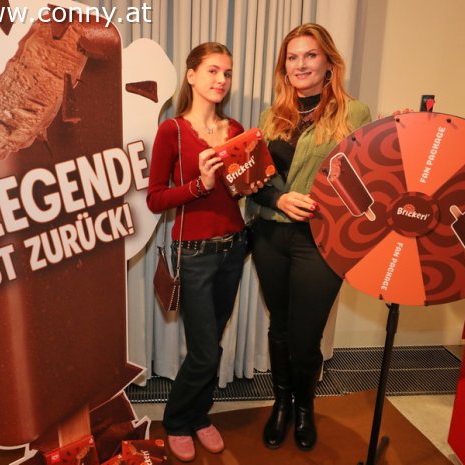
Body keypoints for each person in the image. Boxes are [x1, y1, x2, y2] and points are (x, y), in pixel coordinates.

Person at [247, 23, 372, 451]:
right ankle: (281, 404)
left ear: (328, 63)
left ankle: (305, 408)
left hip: (320, 241)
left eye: (310, 55)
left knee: (305, 337)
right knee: (279, 328)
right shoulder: (271, 116)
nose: (300, 65)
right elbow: (256, 181)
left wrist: (399, 139)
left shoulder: (355, 114)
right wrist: (279, 198)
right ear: (284, 67)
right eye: (292, 57)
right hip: (270, 235)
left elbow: (365, 180)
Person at [146, 42, 261, 462]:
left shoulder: (236, 129)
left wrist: (250, 183)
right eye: (213, 70)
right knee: (204, 351)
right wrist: (200, 185)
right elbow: (155, 199)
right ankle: (177, 420)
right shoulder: (172, 131)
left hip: (234, 249)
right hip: (193, 254)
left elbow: (239, 192)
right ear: (192, 75)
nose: (221, 80)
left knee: (213, 342)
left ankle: (198, 415)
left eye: (227, 73)